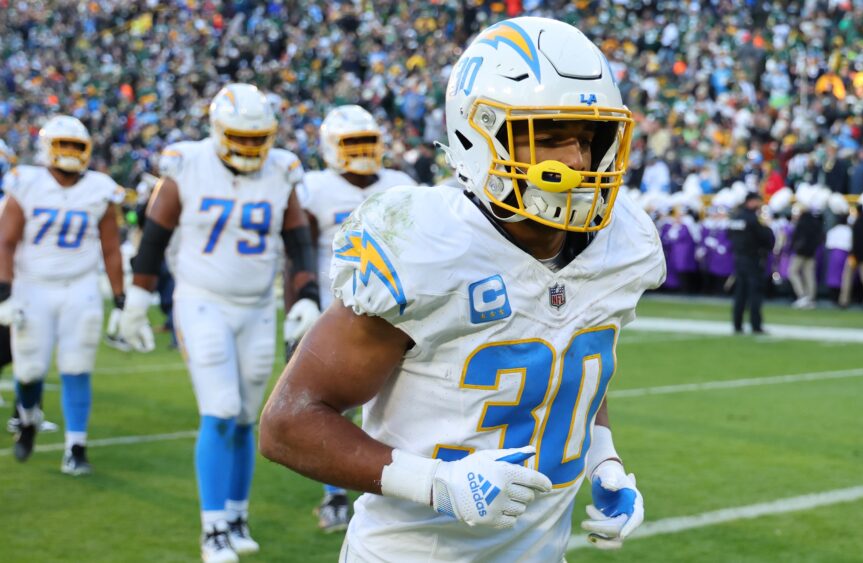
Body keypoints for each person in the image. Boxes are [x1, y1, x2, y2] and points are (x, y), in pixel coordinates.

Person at [259, 17, 661, 562]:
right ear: (480, 135)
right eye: (545, 137)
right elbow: (288, 424)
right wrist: (435, 483)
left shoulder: (621, 242)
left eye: (586, 138)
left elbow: (570, 359)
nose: (574, 160)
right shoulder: (428, 245)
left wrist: (604, 460)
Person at [115, 84, 320, 563]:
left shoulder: (282, 171)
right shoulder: (187, 164)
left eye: (258, 138)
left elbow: (298, 242)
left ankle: (235, 516)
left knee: (248, 416)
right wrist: (137, 299)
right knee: (222, 407)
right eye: (240, 137)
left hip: (255, 307)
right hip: (201, 298)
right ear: (217, 130)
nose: (250, 148)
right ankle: (212, 529)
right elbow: (154, 235)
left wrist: (306, 296)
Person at [298, 104, 416, 533]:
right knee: (333, 410)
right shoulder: (314, 188)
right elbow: (300, 247)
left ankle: (393, 485)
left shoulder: (401, 184)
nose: (363, 152)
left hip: (396, 316)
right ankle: (334, 494)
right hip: (337, 316)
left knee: (397, 405)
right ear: (331, 148)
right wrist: (303, 297)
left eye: (368, 142)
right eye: (353, 144)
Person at [0, 115, 125, 474]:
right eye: (63, 146)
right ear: (46, 149)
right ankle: (27, 419)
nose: (70, 153)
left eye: (76, 147)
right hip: (32, 286)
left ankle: (76, 446)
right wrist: (5, 291)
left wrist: (120, 298)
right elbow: (5, 241)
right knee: (29, 370)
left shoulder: (99, 187)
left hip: (80, 287)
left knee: (77, 367)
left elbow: (111, 248)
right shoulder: (27, 183)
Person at [729, 192, 774, 333]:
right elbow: (766, 238)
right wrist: (767, 228)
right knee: (755, 293)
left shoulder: (735, 217)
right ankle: (756, 325)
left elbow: (729, 235)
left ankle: (737, 323)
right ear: (751, 202)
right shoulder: (753, 219)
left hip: (738, 258)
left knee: (740, 293)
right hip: (752, 259)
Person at [839, 199, 863, 308]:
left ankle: (844, 301)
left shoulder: (856, 224)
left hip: (856, 255)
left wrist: (853, 254)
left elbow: (856, 242)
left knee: (847, 277)